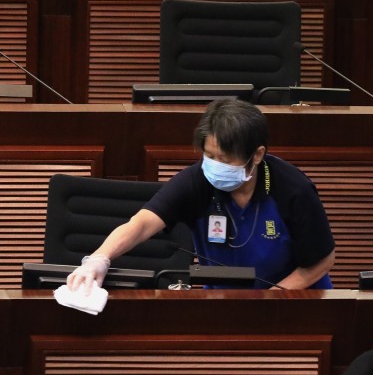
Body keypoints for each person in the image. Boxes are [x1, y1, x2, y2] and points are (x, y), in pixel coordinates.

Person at [66, 99, 335, 291]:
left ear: (258, 155)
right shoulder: (197, 180)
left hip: (294, 299)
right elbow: (142, 223)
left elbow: (323, 260)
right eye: (209, 155)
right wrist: (99, 258)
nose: (215, 165)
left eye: (226, 159)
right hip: (221, 300)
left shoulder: (293, 189)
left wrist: (273, 297)